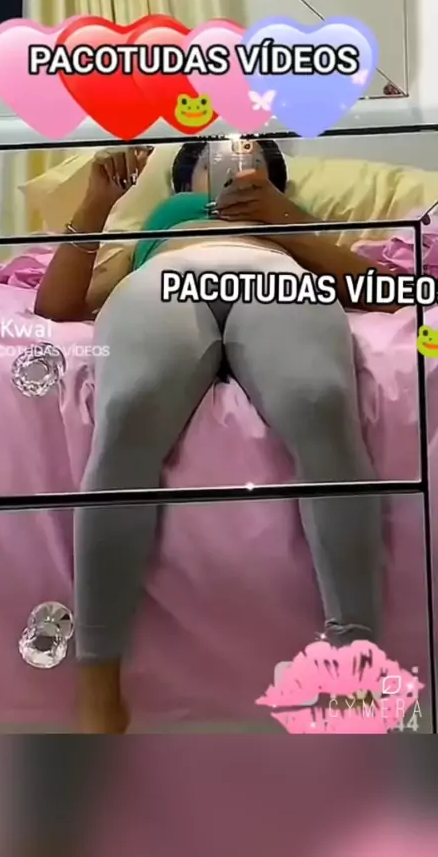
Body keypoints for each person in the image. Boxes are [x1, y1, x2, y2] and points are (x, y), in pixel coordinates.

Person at [35, 139, 402, 733]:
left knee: (320, 400)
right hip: (165, 280)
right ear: (189, 178)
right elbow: (56, 306)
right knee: (129, 406)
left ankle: (354, 670)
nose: (236, 158)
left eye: (251, 154)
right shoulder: (165, 219)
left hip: (278, 281)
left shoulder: (286, 217)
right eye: (219, 154)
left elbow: (386, 293)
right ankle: (99, 687)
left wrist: (283, 219)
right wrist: (98, 204)